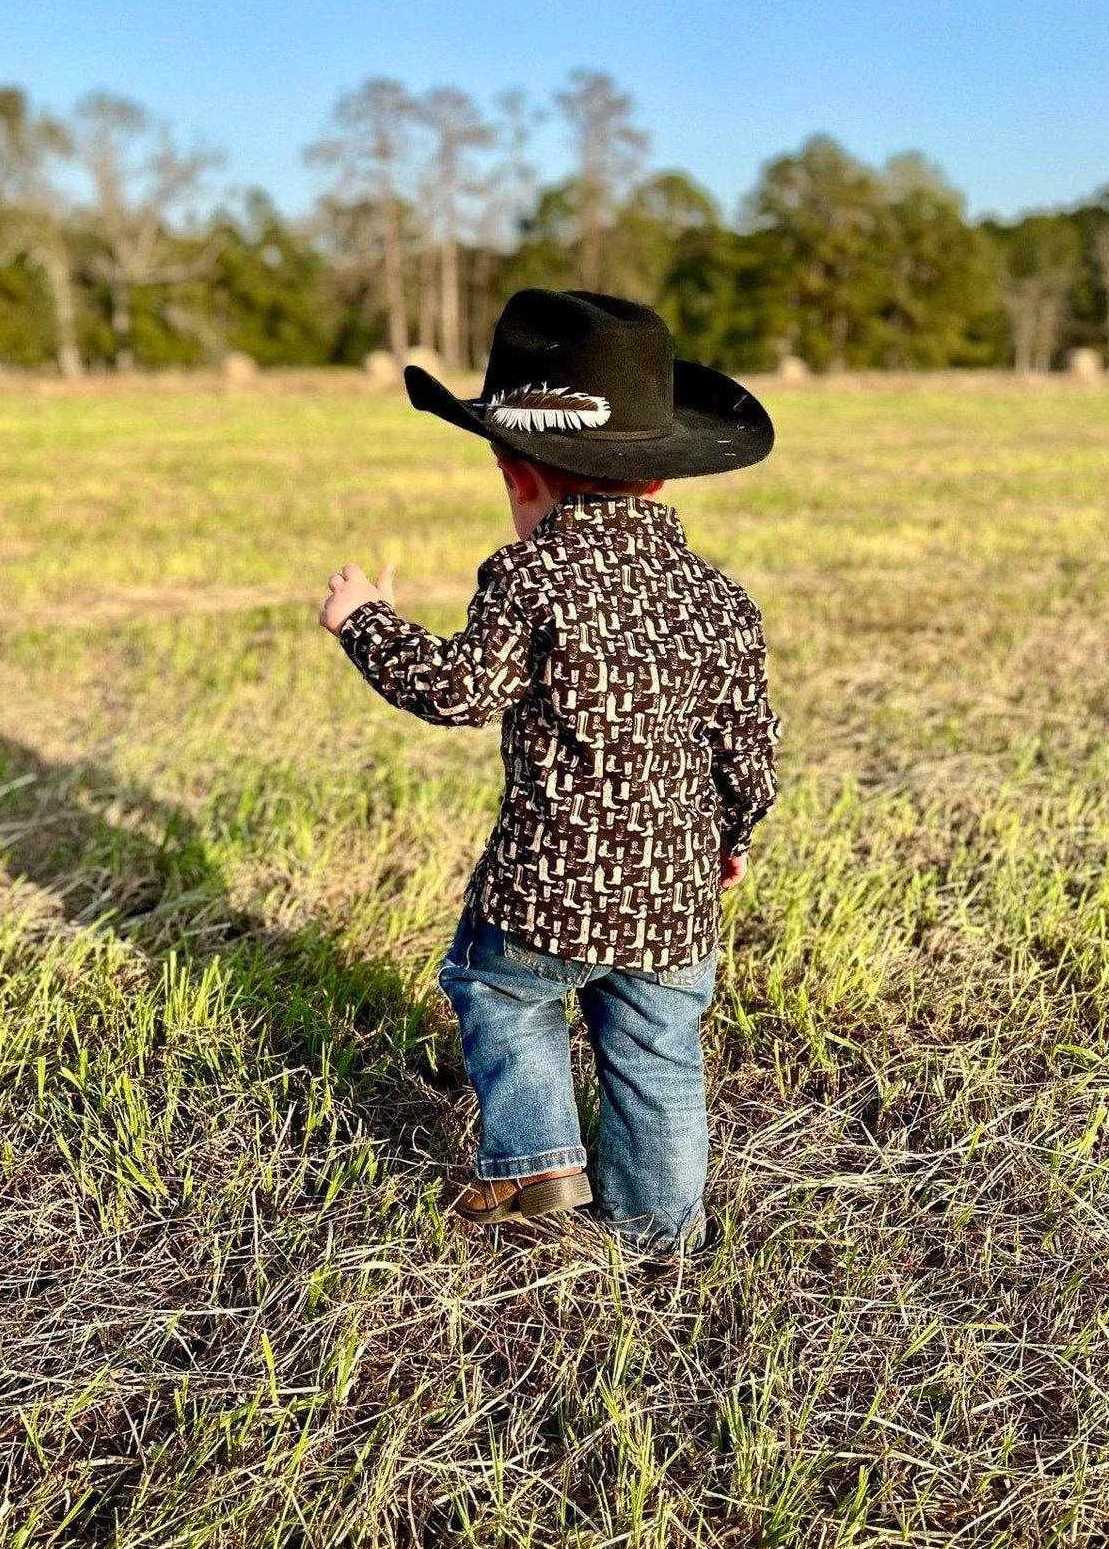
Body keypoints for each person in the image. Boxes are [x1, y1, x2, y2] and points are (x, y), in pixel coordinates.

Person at [319, 289, 779, 1253]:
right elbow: (747, 747)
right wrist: (730, 837)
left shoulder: (531, 577)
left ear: (514, 472)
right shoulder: (720, 598)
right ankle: (659, 1232)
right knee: (658, 1054)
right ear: (660, 476)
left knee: (498, 992)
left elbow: (456, 690)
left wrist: (365, 622)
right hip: (673, 895)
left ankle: (536, 1163)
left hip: (545, 891)